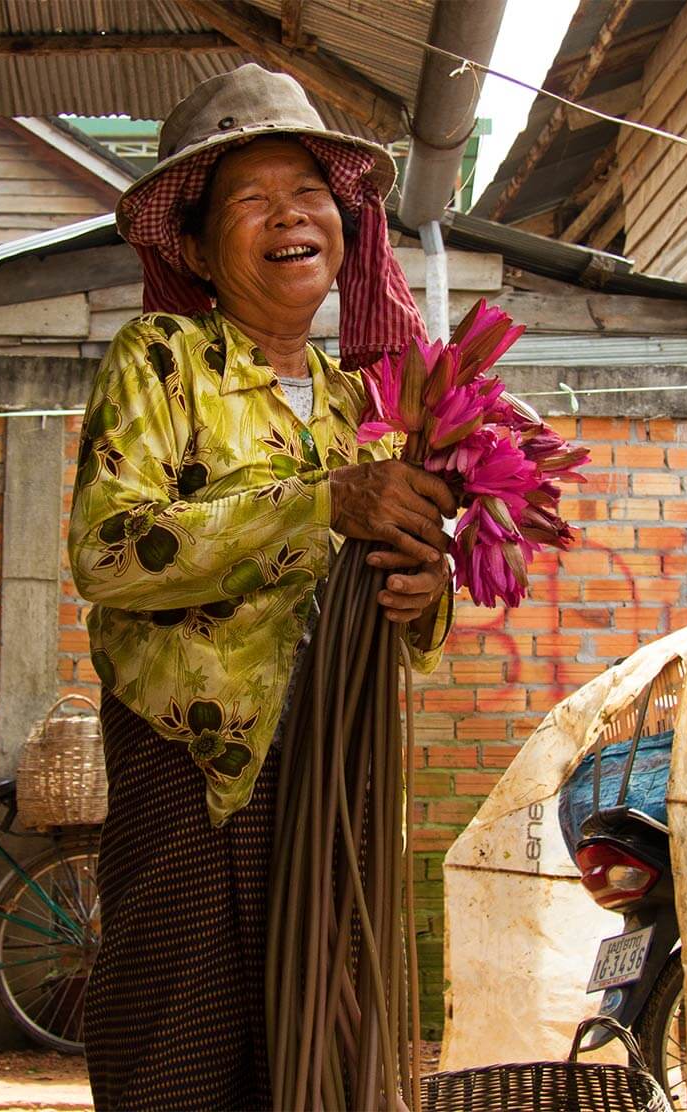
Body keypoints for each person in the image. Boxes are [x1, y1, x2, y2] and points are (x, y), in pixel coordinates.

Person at [68, 63, 455, 1111]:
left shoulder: (359, 405)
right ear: (193, 246)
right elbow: (107, 548)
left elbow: (406, 607)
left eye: (308, 193)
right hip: (190, 770)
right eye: (249, 198)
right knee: (174, 1059)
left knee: (322, 1059)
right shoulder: (162, 359)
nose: (288, 215)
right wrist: (322, 505)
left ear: (342, 227)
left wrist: (428, 587)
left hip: (334, 778)